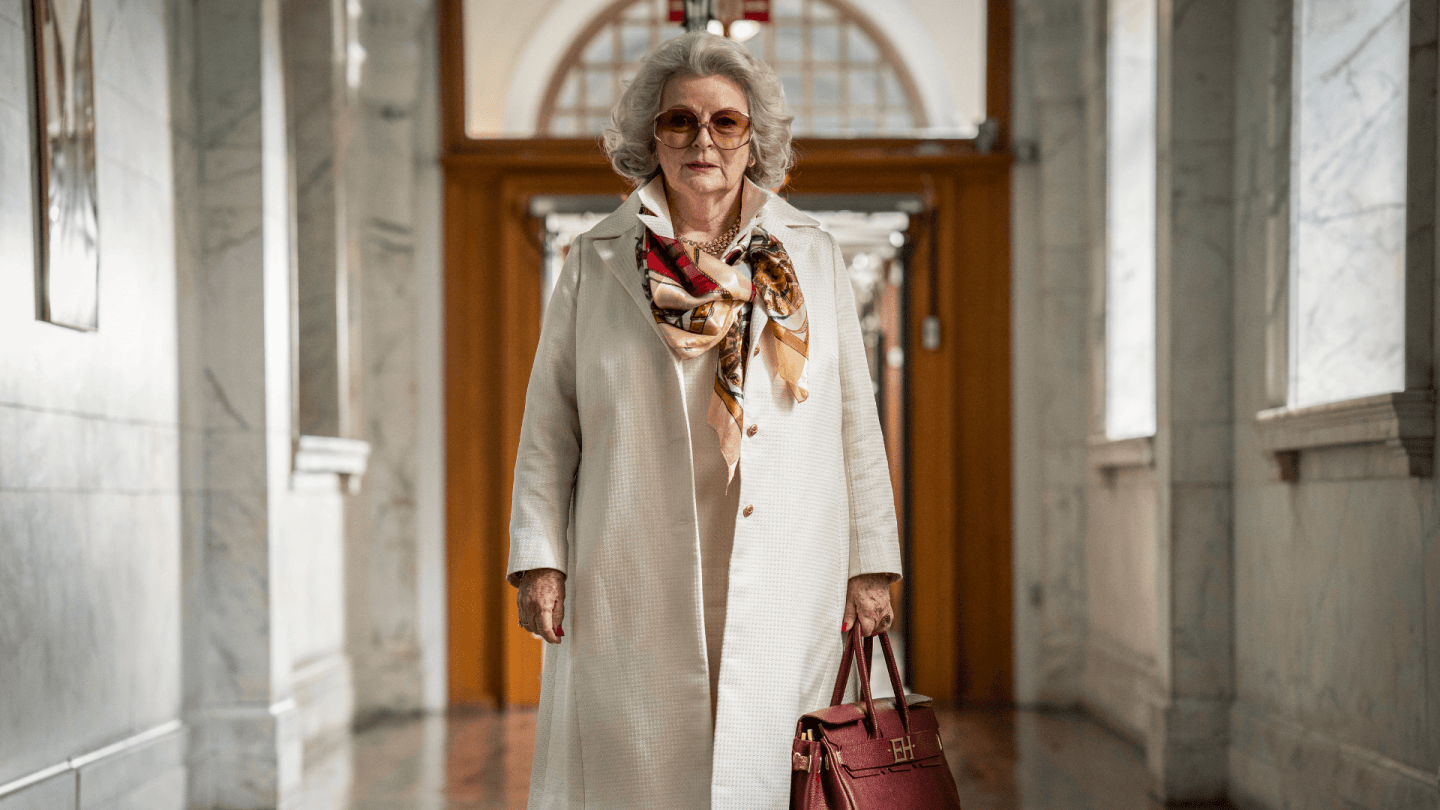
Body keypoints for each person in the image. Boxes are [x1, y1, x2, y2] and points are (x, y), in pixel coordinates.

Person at [507, 30, 902, 810]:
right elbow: (551, 423)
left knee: (773, 761)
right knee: (643, 766)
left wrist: (871, 564)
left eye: (726, 122)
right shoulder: (594, 261)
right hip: (633, 556)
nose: (702, 140)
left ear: (753, 140)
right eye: (678, 121)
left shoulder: (810, 254)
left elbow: (856, 418)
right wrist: (540, 560)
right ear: (650, 136)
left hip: (788, 559)